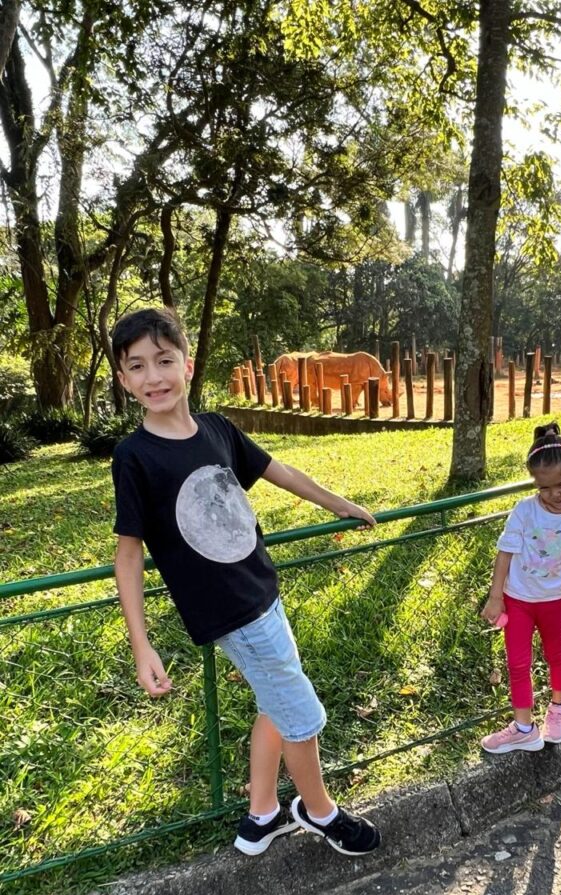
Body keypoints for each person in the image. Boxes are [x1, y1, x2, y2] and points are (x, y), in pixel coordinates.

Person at [111, 307, 381, 857]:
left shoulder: (216, 428)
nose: (153, 377)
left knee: (276, 701)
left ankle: (262, 816)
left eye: (164, 361)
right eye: (136, 367)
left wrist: (340, 503)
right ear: (122, 379)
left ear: (188, 365)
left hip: (263, 590)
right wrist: (141, 644)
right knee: (300, 714)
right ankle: (318, 811)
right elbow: (129, 553)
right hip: (230, 612)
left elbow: (278, 471)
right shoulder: (134, 457)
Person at [480, 422, 561, 754]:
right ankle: (525, 728)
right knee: (517, 662)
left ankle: (558, 709)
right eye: (544, 488)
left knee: (556, 653)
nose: (554, 494)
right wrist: (496, 598)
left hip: (554, 601)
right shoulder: (525, 511)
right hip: (518, 601)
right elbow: (505, 553)